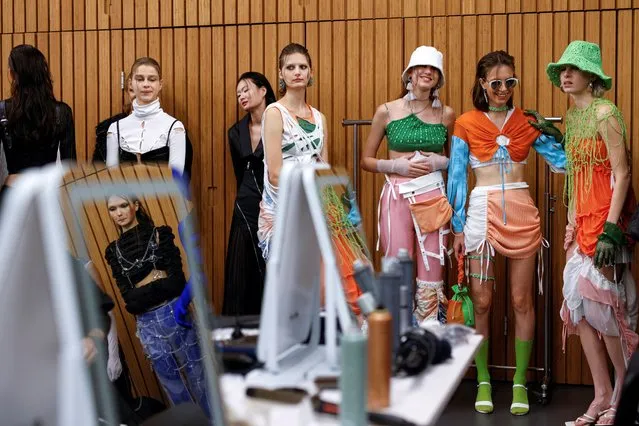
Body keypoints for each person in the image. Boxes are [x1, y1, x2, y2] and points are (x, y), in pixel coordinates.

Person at [447, 50, 566, 415]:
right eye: (495, 82)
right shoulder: (466, 122)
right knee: (481, 300)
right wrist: (457, 227)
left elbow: (562, 163)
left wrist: (554, 133)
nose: (502, 89)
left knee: (521, 301)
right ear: (482, 83)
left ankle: (519, 381)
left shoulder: (527, 121)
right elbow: (456, 176)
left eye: (509, 82)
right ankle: (483, 377)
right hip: (481, 211)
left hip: (520, 208)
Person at [547, 40, 638, 425]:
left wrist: (611, 230)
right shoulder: (573, 117)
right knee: (579, 309)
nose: (566, 75)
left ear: (591, 76)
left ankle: (623, 392)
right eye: (563, 70)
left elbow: (622, 174)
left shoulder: (606, 113)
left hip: (605, 223)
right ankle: (601, 393)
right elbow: (577, 174)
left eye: (574, 69)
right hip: (580, 220)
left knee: (608, 312)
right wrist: (572, 223)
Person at [361, 45, 455, 325]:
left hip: (432, 196)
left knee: (431, 267)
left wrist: (441, 162)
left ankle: (428, 336)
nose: (427, 73)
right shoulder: (387, 111)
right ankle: (395, 338)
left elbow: (455, 160)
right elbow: (366, 160)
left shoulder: (446, 114)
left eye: (433, 69)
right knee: (397, 264)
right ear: (409, 74)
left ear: (438, 78)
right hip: (397, 195)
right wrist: (394, 166)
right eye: (421, 68)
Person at [103, 194, 210, 417]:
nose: (119, 213)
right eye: (112, 209)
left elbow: (176, 283)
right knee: (173, 386)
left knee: (200, 378)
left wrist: (142, 287)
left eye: (123, 205)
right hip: (147, 324)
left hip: (175, 312)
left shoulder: (160, 234)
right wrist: (156, 278)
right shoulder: (114, 251)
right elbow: (130, 302)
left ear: (136, 205)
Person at [222, 72, 275, 316]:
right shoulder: (235, 132)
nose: (242, 96)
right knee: (242, 274)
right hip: (245, 208)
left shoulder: (282, 123)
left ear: (263, 91)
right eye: (238, 93)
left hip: (276, 205)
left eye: (246, 89)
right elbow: (238, 173)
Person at [0, 44, 75, 204]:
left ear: (13, 75)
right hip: (47, 194)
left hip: (12, 193)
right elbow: (69, 167)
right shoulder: (62, 111)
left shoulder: (2, 110)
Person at [105, 57, 189, 177]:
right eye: (139, 79)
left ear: (160, 84)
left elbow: (175, 177)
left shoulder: (175, 127)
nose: (145, 84)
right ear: (130, 83)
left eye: (152, 79)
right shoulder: (115, 128)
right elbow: (111, 178)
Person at [94, 74, 135, 163]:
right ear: (127, 92)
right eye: (132, 90)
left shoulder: (166, 127)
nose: (137, 95)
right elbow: (97, 168)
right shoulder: (106, 128)